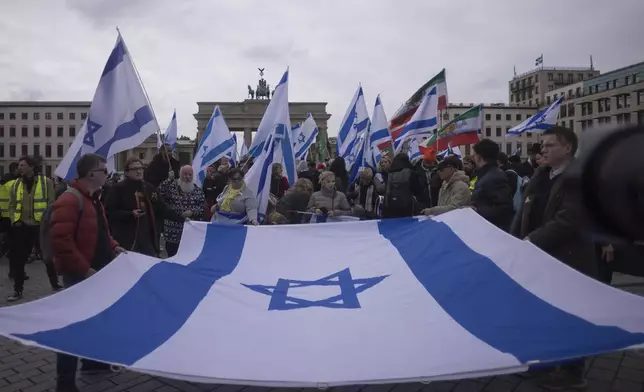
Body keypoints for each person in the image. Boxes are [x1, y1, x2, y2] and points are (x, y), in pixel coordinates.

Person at [511, 126, 595, 389]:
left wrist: (532, 241)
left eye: (549, 145)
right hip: (538, 258)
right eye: (541, 145)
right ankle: (543, 364)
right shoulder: (540, 175)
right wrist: (511, 241)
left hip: (568, 258)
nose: (542, 150)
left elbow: (570, 219)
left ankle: (572, 372)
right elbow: (522, 213)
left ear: (567, 148)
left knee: (570, 315)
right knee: (542, 311)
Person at [50, 154, 126, 392]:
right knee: (74, 328)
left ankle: (93, 362)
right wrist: (85, 270)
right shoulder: (70, 199)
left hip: (97, 272)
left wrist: (114, 246)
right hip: (80, 275)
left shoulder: (95, 198)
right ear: (92, 173)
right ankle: (65, 382)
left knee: (96, 319)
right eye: (104, 170)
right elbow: (61, 241)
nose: (107, 173)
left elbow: (101, 230)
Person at [7, 156, 61, 302]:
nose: (20, 167)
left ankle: (55, 284)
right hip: (22, 227)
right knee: (19, 260)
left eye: (23, 165)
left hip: (40, 226)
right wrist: (15, 220)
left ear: (32, 167)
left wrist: (46, 220)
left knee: (47, 257)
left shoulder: (46, 182)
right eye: (19, 165)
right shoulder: (16, 184)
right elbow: (11, 205)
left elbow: (51, 203)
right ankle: (18, 290)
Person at [104, 157, 174, 256]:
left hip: (148, 239)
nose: (139, 171)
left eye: (140, 168)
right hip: (127, 239)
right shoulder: (118, 189)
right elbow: (109, 212)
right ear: (127, 172)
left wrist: (183, 218)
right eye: (135, 169)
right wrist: (130, 214)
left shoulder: (149, 188)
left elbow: (162, 208)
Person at [158, 165, 206, 257]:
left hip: (190, 234)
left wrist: (192, 212)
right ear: (180, 175)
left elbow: (203, 207)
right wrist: (168, 180)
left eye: (190, 175)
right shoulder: (171, 186)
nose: (187, 177)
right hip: (172, 233)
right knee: (172, 257)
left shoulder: (197, 190)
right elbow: (159, 193)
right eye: (185, 174)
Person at [470, 139, 514, 231]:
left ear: (479, 156)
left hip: (492, 230)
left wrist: (477, 210)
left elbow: (505, 208)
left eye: (475, 154)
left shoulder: (495, 177)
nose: (473, 157)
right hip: (483, 227)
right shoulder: (485, 174)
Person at [382, 153, 424, 219]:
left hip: (389, 207)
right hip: (406, 207)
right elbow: (418, 190)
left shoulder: (389, 174)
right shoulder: (410, 172)